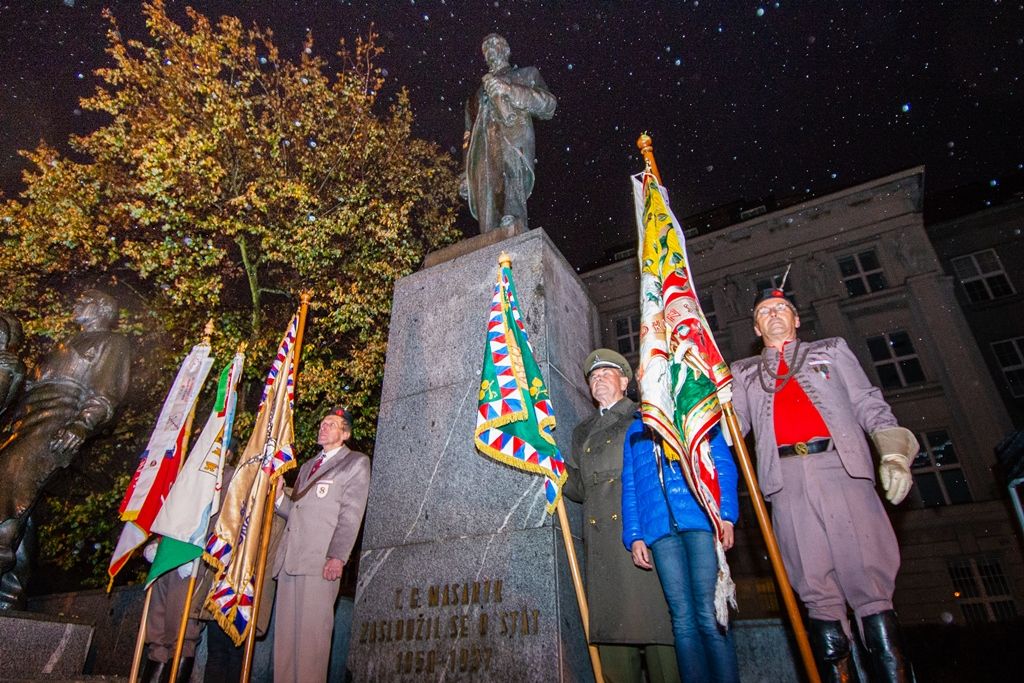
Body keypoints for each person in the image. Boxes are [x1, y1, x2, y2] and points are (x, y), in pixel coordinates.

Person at [730, 287, 917, 682]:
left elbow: (867, 401)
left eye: (782, 308)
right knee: (816, 592)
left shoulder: (831, 350)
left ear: (797, 319)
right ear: (755, 326)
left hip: (842, 469)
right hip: (786, 483)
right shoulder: (743, 372)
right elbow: (733, 430)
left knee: (869, 583)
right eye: (765, 311)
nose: (774, 314)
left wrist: (894, 452)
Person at [0, 289, 131, 609]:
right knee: (20, 507)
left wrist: (81, 425)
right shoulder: (62, 345)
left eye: (84, 299)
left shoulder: (111, 343)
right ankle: (9, 593)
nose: (75, 302)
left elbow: (106, 392)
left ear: (101, 308)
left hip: (53, 428)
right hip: (23, 427)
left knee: (7, 493)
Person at [564, 349, 680, 683]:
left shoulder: (645, 417)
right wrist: (555, 470)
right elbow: (586, 489)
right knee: (616, 654)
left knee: (663, 646)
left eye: (606, 374)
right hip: (603, 547)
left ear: (625, 382)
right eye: (593, 377)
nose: (597, 379)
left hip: (641, 539)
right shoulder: (582, 432)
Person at [621, 419, 740, 682]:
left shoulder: (692, 409)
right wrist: (634, 534)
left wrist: (727, 515)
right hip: (661, 530)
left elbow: (722, 464)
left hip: (699, 520)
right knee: (682, 622)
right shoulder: (635, 429)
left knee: (709, 615)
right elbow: (630, 483)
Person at [272, 406, 371, 683]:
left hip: (319, 563)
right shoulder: (306, 467)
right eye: (323, 422)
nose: (323, 427)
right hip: (290, 561)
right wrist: (280, 499)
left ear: (345, 434)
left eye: (331, 424)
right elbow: (298, 512)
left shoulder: (355, 463)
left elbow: (351, 514)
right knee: (285, 647)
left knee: (311, 645)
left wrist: (337, 556)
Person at [460, 33, 557, 234]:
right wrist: (465, 173)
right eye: (485, 49)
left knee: (511, 211)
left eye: (494, 45)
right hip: (483, 153)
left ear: (506, 50)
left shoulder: (526, 75)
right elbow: (467, 137)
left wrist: (509, 90)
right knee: (487, 223)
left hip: (513, 142)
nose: (489, 51)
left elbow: (549, 105)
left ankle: (515, 226)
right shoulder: (473, 98)